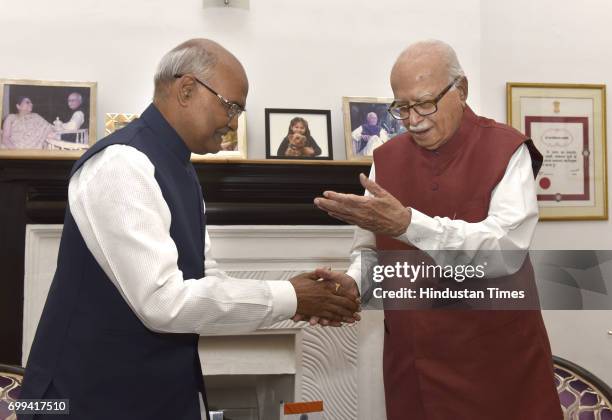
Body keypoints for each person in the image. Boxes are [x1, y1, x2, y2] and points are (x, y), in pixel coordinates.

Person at [19, 39, 360, 420]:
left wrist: (297, 297)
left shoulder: (180, 169)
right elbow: (163, 303)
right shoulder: (121, 165)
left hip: (145, 395)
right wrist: (292, 297)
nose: (233, 122)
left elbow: (204, 278)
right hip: (80, 398)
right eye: (231, 107)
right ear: (186, 90)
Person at [313, 40, 562, 420]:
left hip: (495, 362)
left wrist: (409, 224)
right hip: (414, 365)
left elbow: (505, 250)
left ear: (461, 90)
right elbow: (370, 249)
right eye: (402, 107)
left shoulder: (506, 149)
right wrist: (354, 283)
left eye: (424, 103)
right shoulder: (387, 159)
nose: (413, 119)